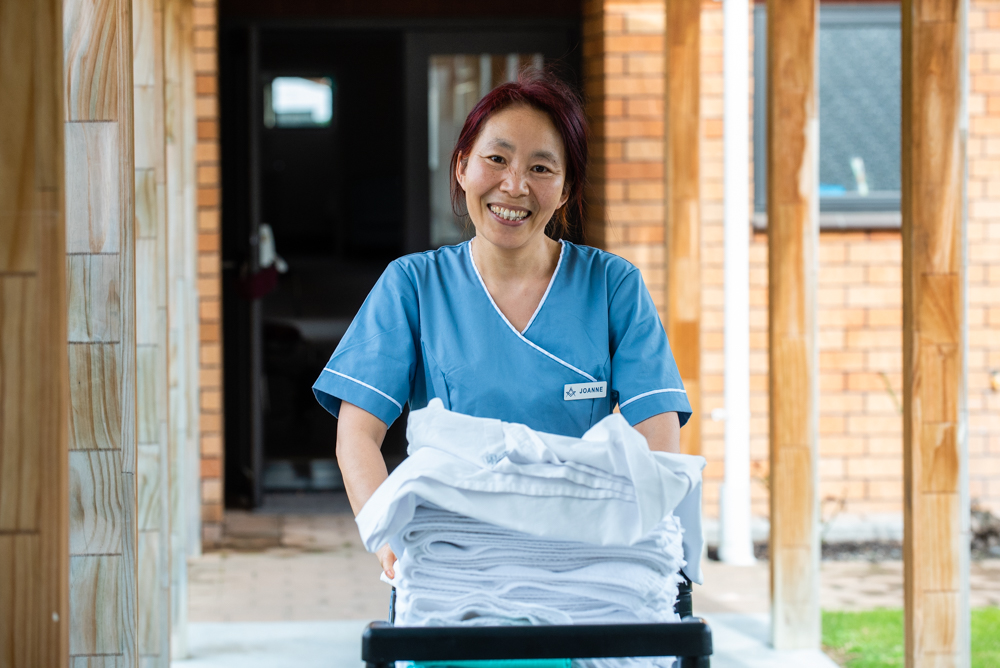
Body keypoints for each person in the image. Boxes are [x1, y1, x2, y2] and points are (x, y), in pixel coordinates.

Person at [312, 70, 691, 579]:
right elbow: (357, 434)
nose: (514, 185)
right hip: (453, 558)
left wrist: (643, 548)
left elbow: (657, 439)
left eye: (541, 167)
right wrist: (391, 539)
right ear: (463, 166)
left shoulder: (612, 287)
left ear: (565, 188)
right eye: (497, 159)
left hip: (579, 560)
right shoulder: (412, 285)